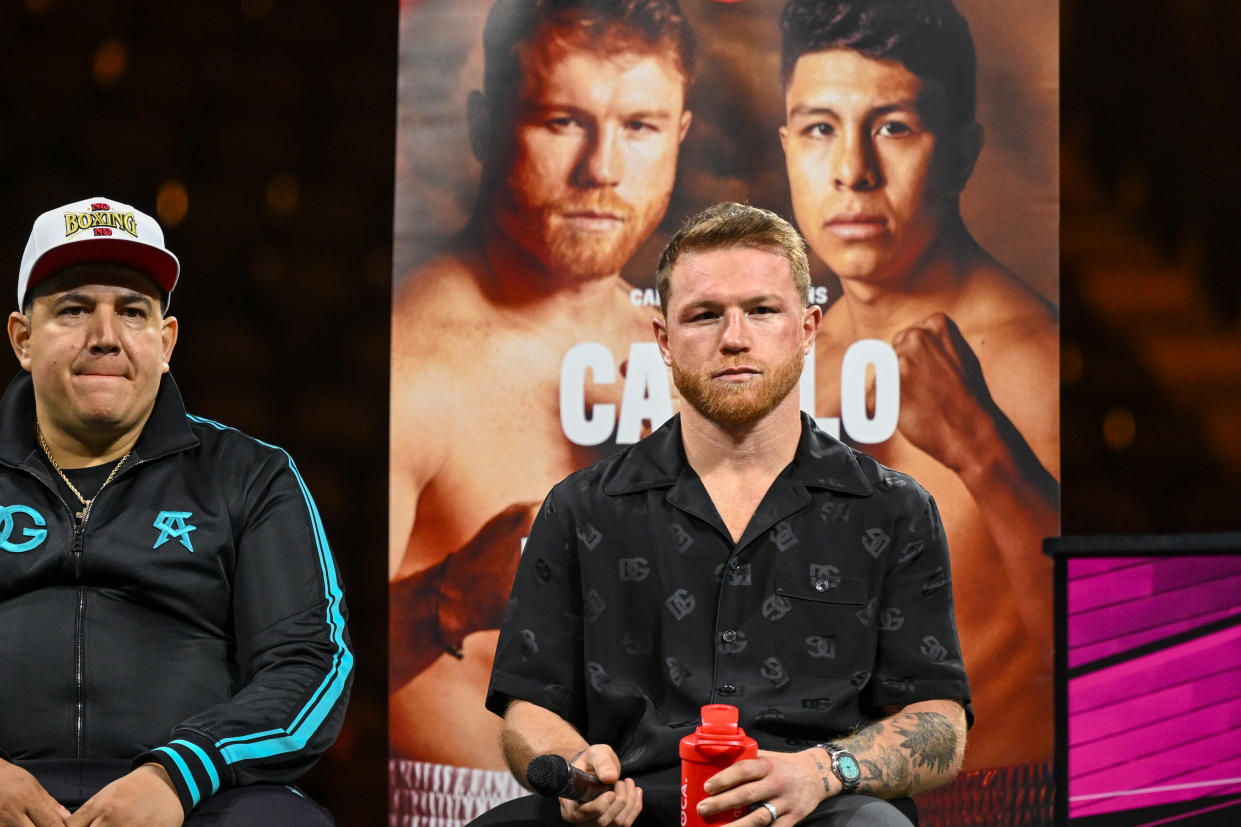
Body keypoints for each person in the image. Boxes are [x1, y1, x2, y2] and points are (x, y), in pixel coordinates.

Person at [477, 202, 971, 827]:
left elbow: (939, 721)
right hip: (632, 809)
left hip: (815, 808)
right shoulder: (581, 508)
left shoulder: (895, 510)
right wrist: (577, 768)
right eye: (705, 315)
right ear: (663, 339)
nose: (734, 337)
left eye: (762, 310)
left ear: (808, 327)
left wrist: (824, 771)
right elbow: (530, 704)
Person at [388, 0, 695, 817]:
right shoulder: (416, 357)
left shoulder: (688, 349)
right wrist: (450, 596)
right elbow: (307, 669)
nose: (602, 167)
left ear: (680, 134)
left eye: (639, 126)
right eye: (563, 120)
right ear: (488, 124)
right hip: (462, 800)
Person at [777, 0, 1059, 810]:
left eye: (893, 126)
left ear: (962, 152)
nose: (852, 171)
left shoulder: (1027, 359)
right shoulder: (792, 356)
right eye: (820, 128)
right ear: (787, 147)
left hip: (989, 801)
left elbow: (1103, 665)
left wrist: (983, 448)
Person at [0, 197, 352, 826]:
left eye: (132, 312)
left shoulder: (252, 474)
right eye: (74, 309)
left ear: (165, 344)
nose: (105, 337)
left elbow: (309, 663)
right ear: (23, 340)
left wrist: (178, 774)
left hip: (198, 791)